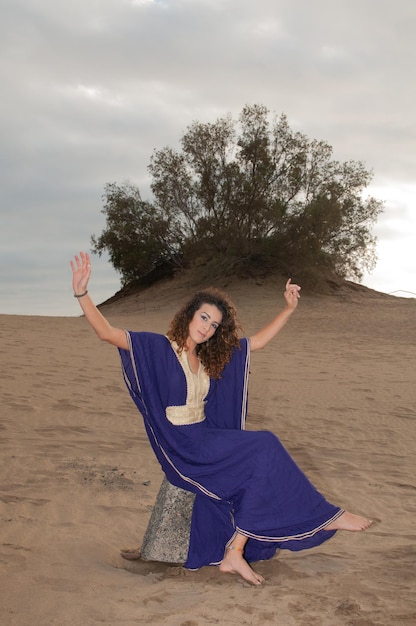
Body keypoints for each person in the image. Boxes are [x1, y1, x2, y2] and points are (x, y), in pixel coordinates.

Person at [70, 251, 372, 586]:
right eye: (203, 318)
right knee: (265, 445)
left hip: (205, 437)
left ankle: (236, 550)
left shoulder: (209, 357)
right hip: (183, 446)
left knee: (260, 464)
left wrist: (287, 309)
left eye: (213, 325)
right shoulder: (158, 347)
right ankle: (325, 517)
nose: (207, 327)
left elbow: (255, 343)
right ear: (189, 314)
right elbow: (107, 333)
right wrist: (82, 293)